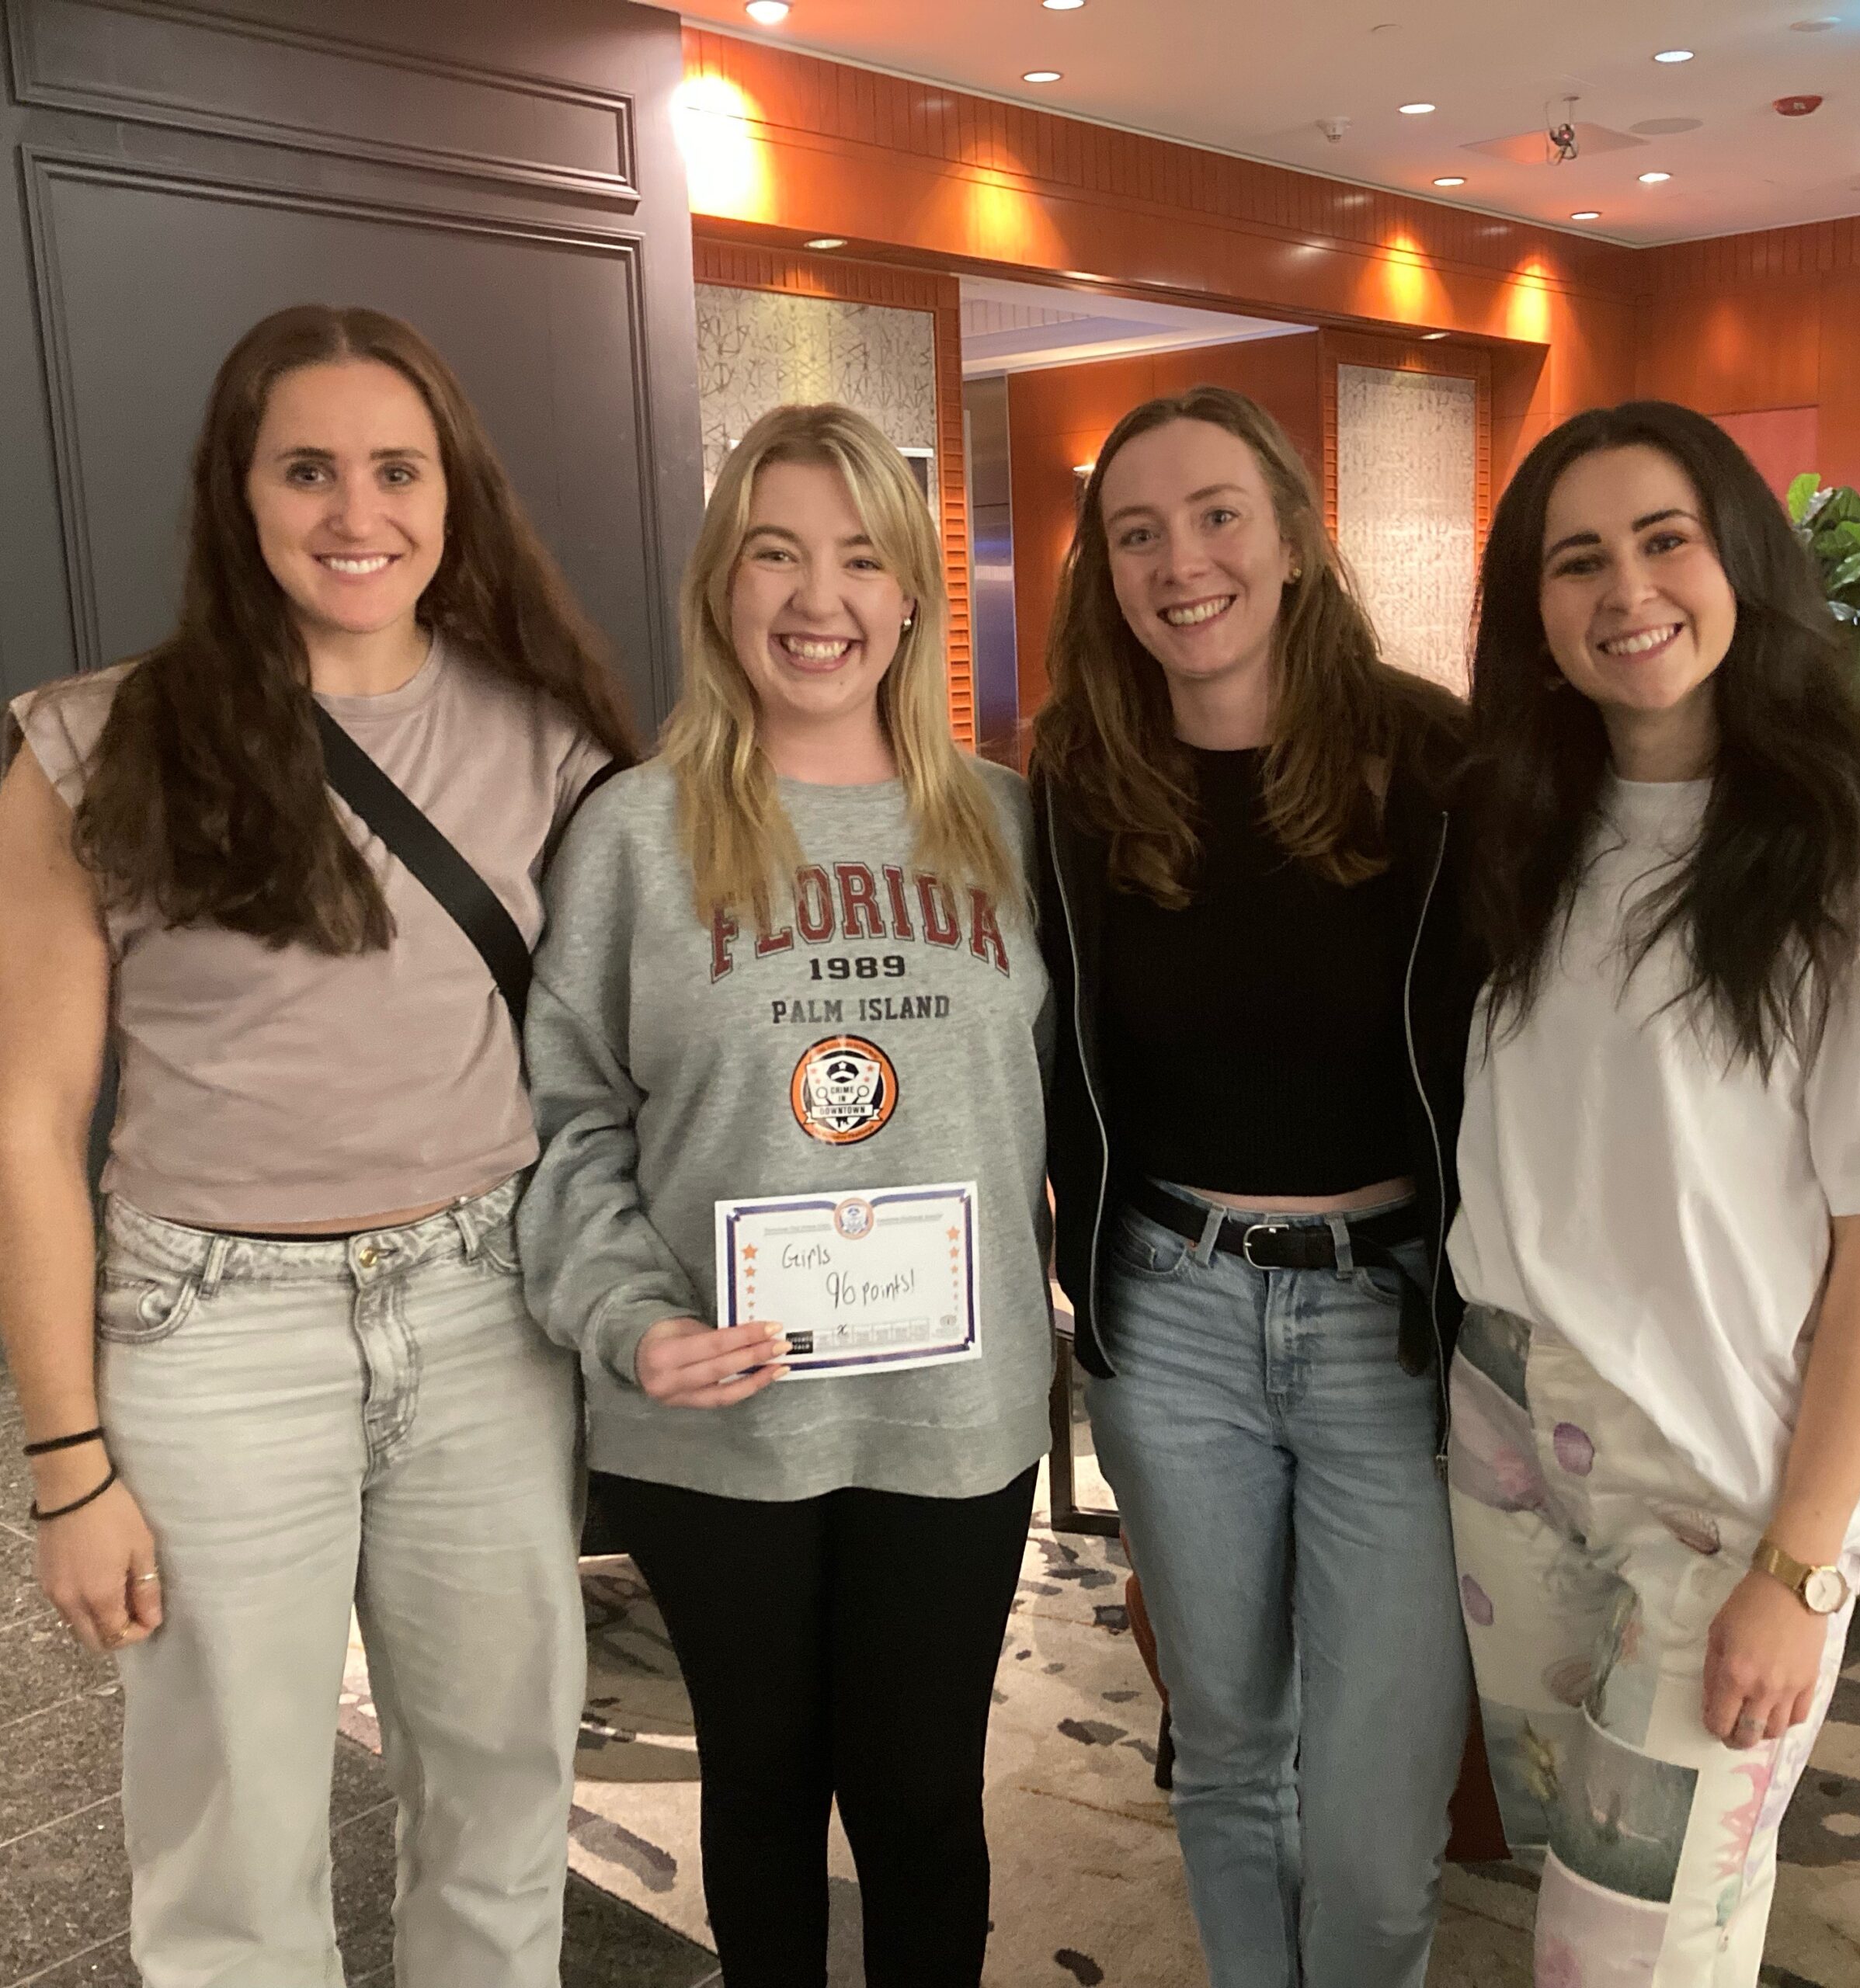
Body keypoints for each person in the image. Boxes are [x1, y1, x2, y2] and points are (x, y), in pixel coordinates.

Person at [0, 302, 641, 1986]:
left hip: (483, 1315)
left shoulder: (548, 737)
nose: (357, 512)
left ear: (452, 492)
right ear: (240, 490)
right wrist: (69, 1463)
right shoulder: (88, 746)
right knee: (232, 1849)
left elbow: (631, 1054)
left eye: (396, 470)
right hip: (211, 1336)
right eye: (307, 470)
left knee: (503, 1799)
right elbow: (27, 1120)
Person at [1448, 399, 1860, 1985]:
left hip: (1724, 1483)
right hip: (1510, 1430)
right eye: (1577, 560)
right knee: (1574, 1885)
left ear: (1738, 559)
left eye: (1663, 540)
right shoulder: (1527, 830)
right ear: (1536, 615)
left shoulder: (1852, 859)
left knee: (1627, 1950)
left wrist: (1800, 1565)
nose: (1626, 590)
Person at [516, 401, 1052, 1988]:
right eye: (775, 553)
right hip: (716, 1415)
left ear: (910, 597)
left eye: (860, 558)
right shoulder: (635, 832)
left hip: (952, 1410)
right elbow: (562, 1118)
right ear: (719, 586)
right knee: (760, 1784)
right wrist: (627, 1320)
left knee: (921, 1797)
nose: (820, 598)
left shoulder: (1010, 827)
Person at [1030, 384, 1478, 1988]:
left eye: (1217, 515)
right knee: (1228, 1754)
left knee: (1375, 1821)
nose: (1181, 562)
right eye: (1136, 533)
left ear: (1290, 535)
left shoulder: (1430, 758)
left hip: (1388, 1322)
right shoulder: (1076, 777)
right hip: (1172, 1314)